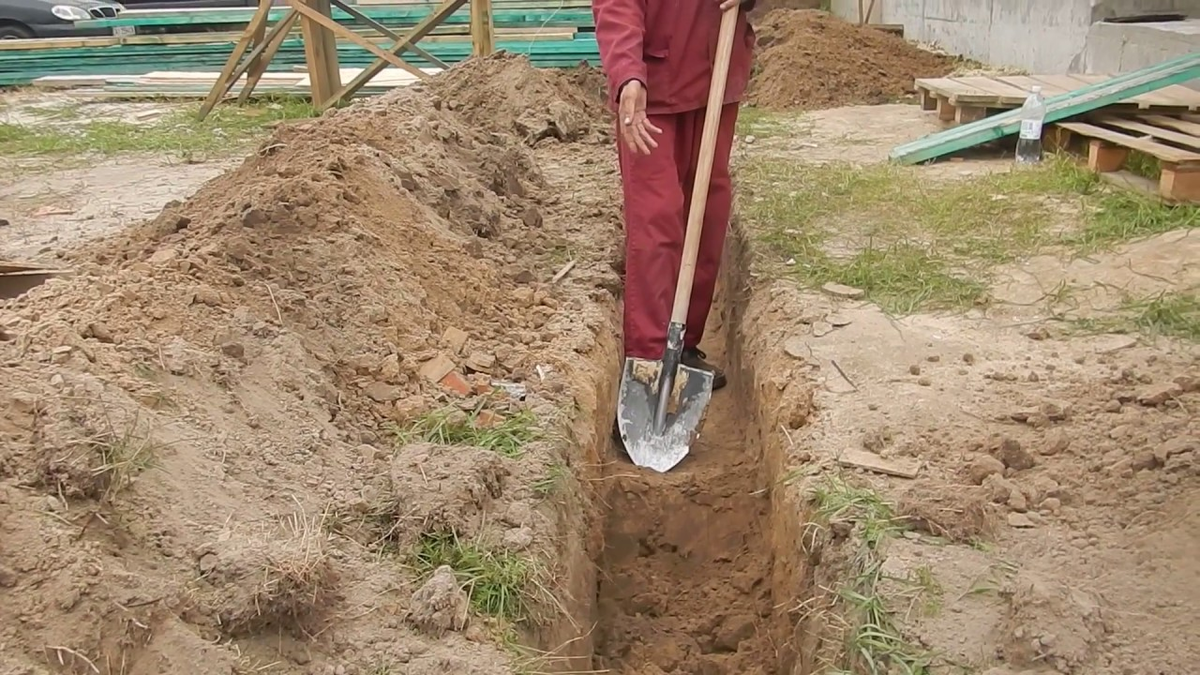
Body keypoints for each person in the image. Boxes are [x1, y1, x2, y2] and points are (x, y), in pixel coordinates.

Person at [593, 0, 756, 447]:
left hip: (717, 73)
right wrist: (627, 73)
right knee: (658, 218)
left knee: (708, 214)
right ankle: (647, 359)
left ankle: (684, 345)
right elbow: (617, 6)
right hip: (653, 88)